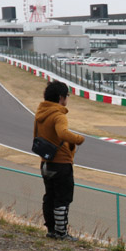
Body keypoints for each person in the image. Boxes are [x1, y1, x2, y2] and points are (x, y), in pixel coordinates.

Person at [34, 82, 84, 240]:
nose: (67, 99)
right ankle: (62, 233)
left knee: (49, 196)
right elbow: (62, 133)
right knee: (63, 199)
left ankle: (51, 230)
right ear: (61, 98)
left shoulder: (41, 113)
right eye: (67, 96)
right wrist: (78, 139)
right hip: (61, 163)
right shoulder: (59, 115)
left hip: (45, 162)